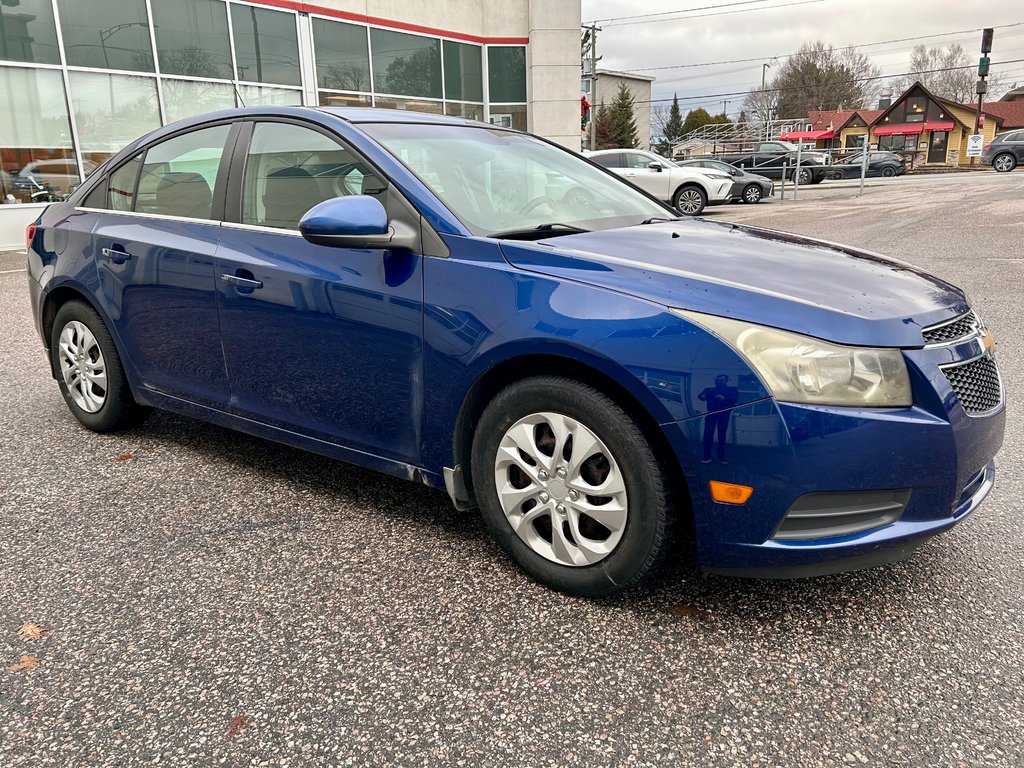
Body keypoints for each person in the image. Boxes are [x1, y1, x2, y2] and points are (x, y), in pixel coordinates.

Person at [698, 374, 739, 463]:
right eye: (717, 380)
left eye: (721, 380)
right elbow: (700, 396)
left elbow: (735, 399)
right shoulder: (709, 389)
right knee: (707, 434)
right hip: (711, 414)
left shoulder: (732, 389)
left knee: (722, 435)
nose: (718, 381)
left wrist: (724, 398)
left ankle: (721, 457)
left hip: (724, 414)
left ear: (726, 380)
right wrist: (703, 396)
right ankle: (706, 456)